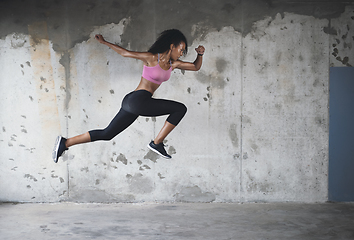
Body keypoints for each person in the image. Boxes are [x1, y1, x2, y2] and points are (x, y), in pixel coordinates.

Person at [53, 29, 205, 163]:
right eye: (181, 49)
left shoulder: (174, 64)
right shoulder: (152, 58)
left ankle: (65, 143)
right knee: (180, 109)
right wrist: (105, 42)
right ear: (172, 46)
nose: (181, 53)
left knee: (107, 134)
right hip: (138, 99)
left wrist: (200, 54)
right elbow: (126, 53)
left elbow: (195, 67)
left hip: (134, 102)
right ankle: (157, 143)